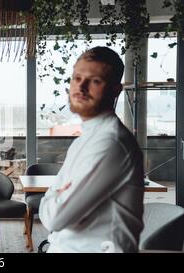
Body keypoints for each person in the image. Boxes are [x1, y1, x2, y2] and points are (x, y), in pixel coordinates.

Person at [38, 47, 144, 253]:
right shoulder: (86, 138)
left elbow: (54, 218)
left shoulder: (110, 142)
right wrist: (57, 195)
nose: (81, 87)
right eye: (77, 78)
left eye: (95, 80)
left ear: (116, 89)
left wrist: (54, 196)